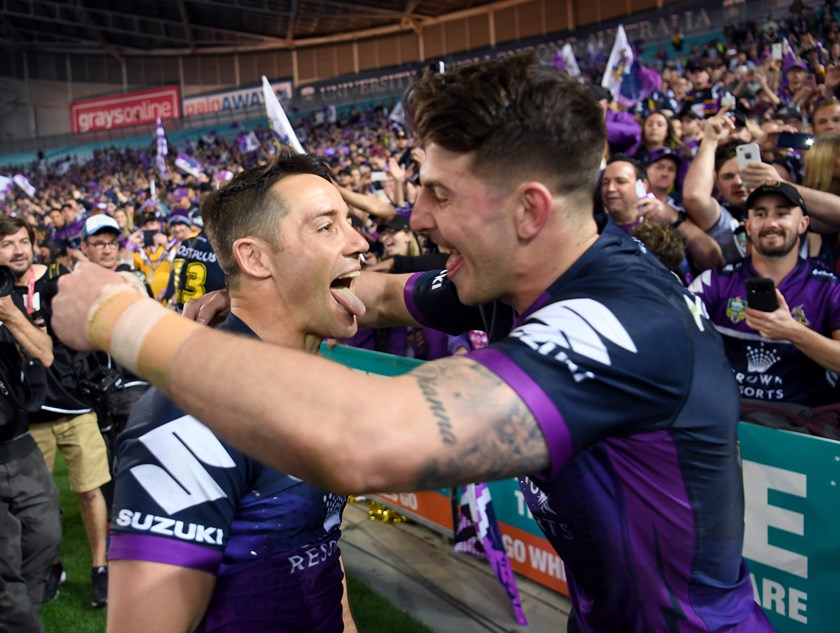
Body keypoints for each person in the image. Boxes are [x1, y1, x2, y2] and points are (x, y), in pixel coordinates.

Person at [53, 53, 773, 632]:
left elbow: (366, 436)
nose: (413, 217)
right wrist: (264, 296)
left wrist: (122, 317)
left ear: (529, 210)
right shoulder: (511, 278)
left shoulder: (620, 321)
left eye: (440, 195)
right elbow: (384, 293)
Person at [105, 150, 360, 633]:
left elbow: (322, 548)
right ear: (255, 258)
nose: (360, 242)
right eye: (327, 227)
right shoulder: (191, 416)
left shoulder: (309, 385)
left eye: (350, 222)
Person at [0, 217, 112, 608]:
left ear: (34, 244)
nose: (17, 249)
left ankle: (101, 569)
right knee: (41, 506)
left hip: (73, 404)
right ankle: (53, 566)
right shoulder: (1, 293)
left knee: (89, 490)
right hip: (27, 417)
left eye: (22, 241)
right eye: (7, 244)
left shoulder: (61, 279)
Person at [689, 181, 840, 406]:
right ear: (748, 226)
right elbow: (675, 338)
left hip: (801, 423)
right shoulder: (714, 281)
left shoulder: (829, 288)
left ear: (803, 224)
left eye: (782, 213)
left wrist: (792, 332)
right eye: (760, 214)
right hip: (724, 413)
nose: (771, 223)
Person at [0, 276, 60, 633]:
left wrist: (11, 315)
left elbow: (45, 352)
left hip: (19, 443)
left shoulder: (7, 306)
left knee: (45, 534)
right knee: (4, 562)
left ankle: (19, 614)